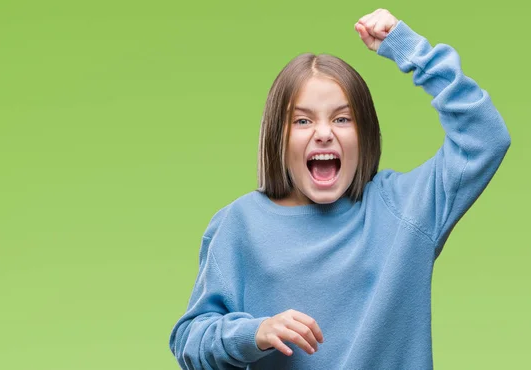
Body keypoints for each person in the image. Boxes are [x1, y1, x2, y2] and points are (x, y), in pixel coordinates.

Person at [169, 8, 511, 370]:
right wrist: (254, 332)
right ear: (277, 139)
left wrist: (411, 50)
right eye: (302, 120)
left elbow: (484, 138)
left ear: (364, 136)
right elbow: (190, 341)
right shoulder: (240, 224)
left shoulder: (406, 207)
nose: (323, 132)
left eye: (342, 118)